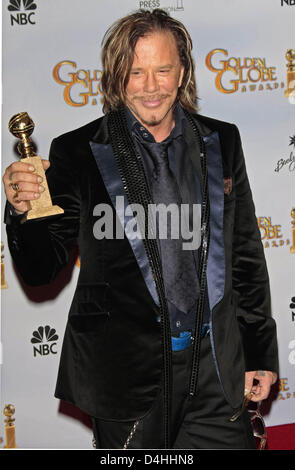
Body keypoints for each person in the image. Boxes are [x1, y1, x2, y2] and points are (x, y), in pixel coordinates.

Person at [2, 9, 278, 449]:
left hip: (215, 370)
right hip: (127, 376)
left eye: (163, 70)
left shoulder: (222, 140)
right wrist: (20, 211)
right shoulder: (77, 151)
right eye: (135, 72)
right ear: (115, 77)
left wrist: (260, 350)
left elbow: (244, 252)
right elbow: (40, 270)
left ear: (182, 71)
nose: (150, 87)